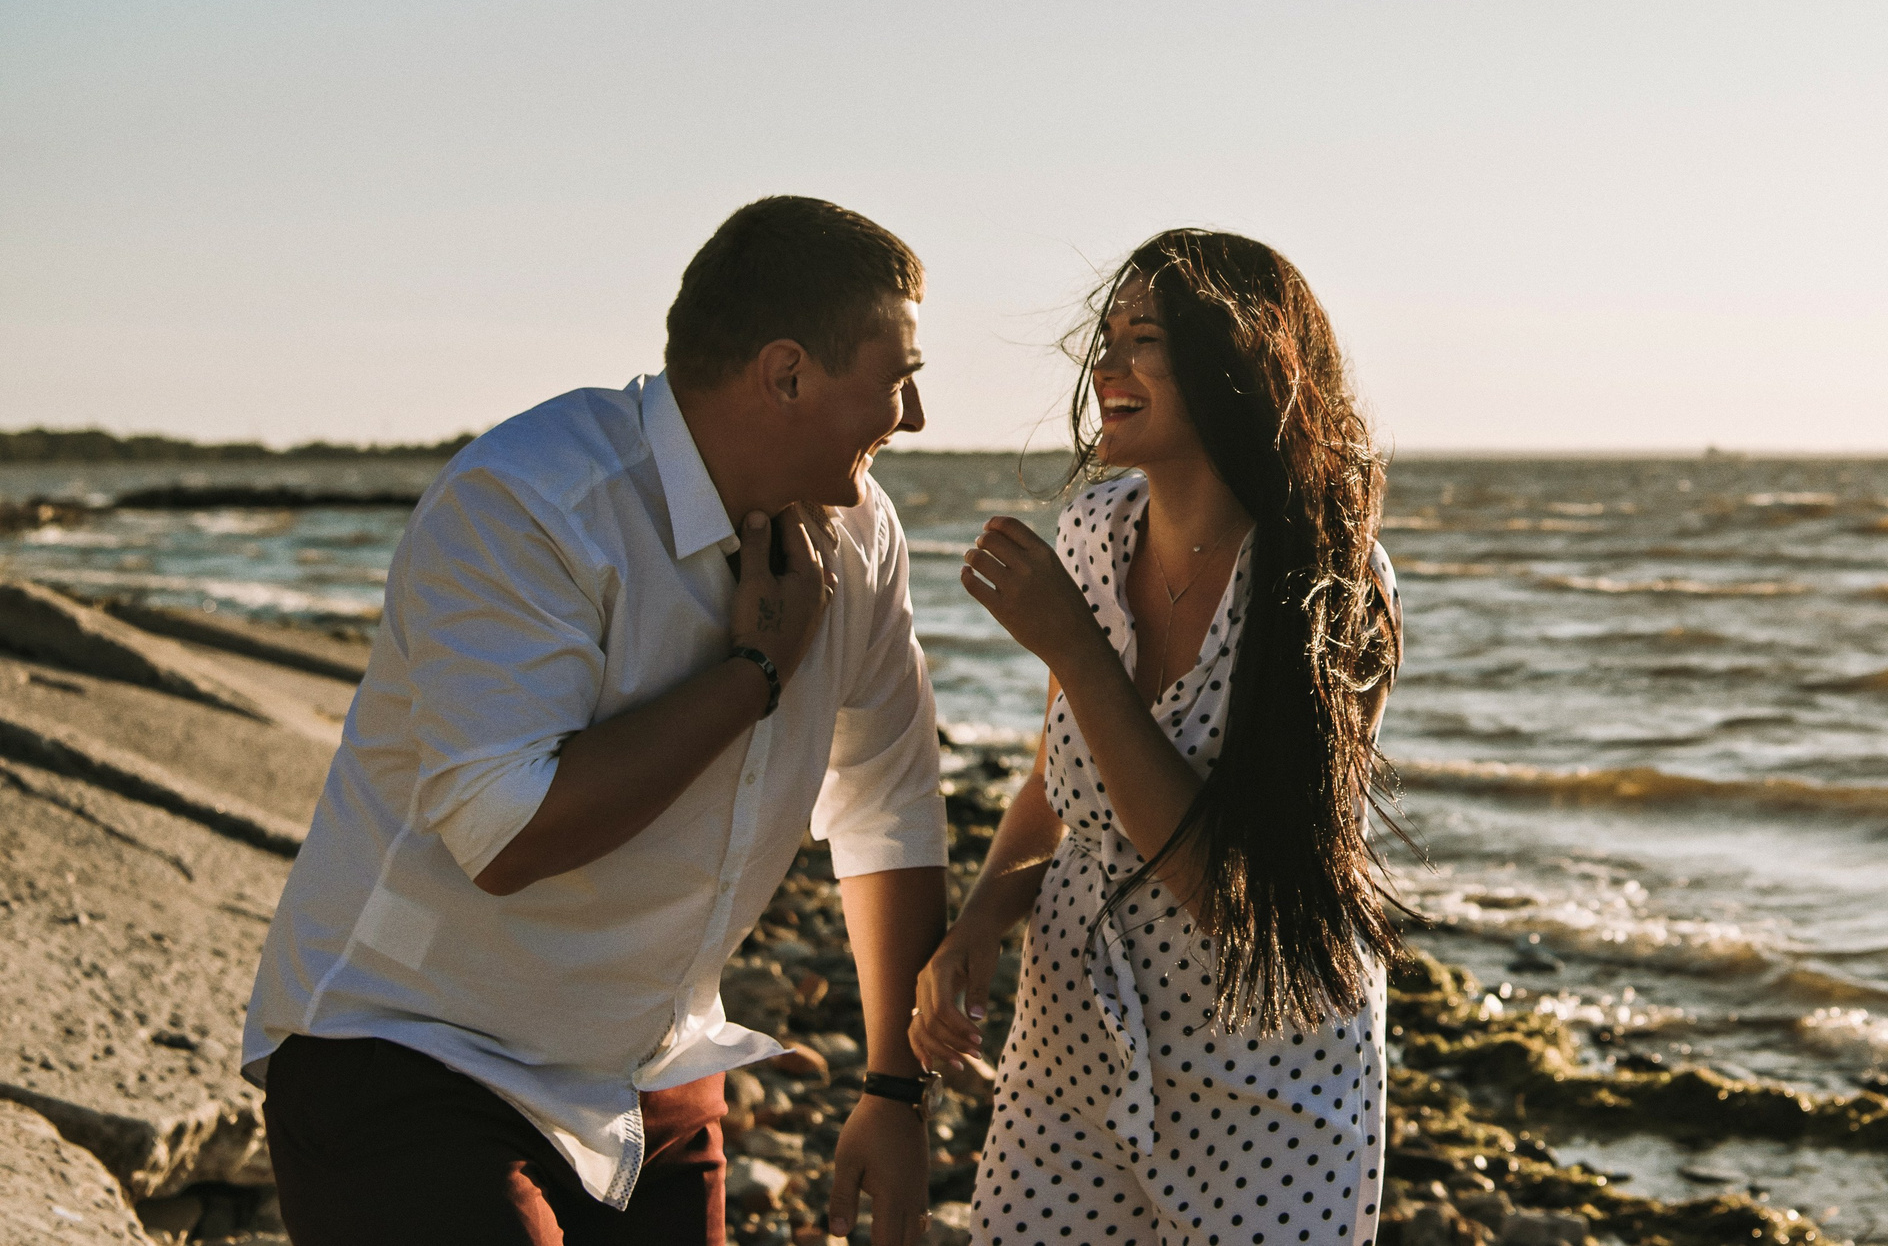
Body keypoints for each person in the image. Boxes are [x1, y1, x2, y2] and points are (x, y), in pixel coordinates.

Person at [242, 196, 950, 1246]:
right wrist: (752, 668)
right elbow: (508, 831)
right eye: (900, 380)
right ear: (788, 371)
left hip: (650, 1076)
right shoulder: (529, 501)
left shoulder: (863, 534)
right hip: (412, 1050)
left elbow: (888, 806)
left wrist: (895, 1089)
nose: (918, 419)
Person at [911, 229, 1406, 1246]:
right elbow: (1062, 781)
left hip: (1267, 1067)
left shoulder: (1333, 587)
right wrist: (979, 916)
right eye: (1107, 336)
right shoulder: (1093, 533)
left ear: (1240, 360)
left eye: (1146, 339)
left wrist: (1076, 650)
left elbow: (1224, 890)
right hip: (1069, 1042)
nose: (1107, 365)